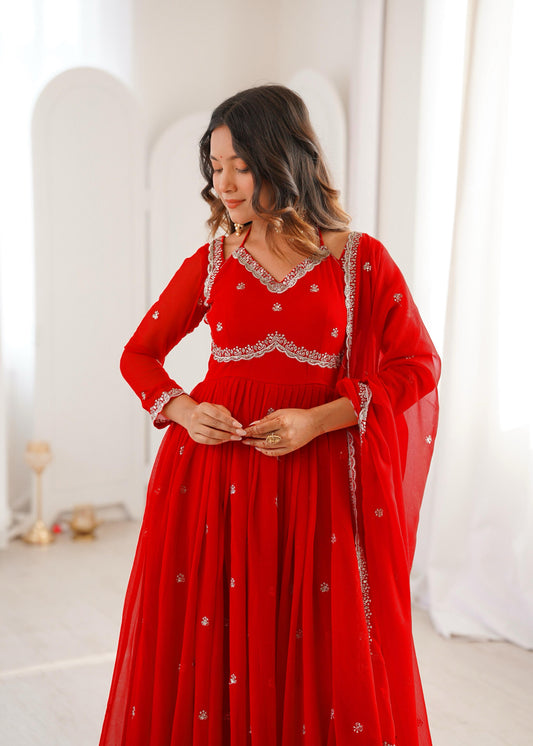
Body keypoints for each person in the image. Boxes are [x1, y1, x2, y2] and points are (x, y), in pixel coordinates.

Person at [99, 85, 440, 746]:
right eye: (215, 166)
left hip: (319, 488)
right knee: (216, 643)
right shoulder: (213, 263)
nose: (223, 183)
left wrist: (319, 420)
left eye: (240, 165)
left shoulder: (357, 259)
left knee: (318, 647)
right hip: (214, 485)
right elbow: (138, 355)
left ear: (282, 159)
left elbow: (417, 365)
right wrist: (184, 409)